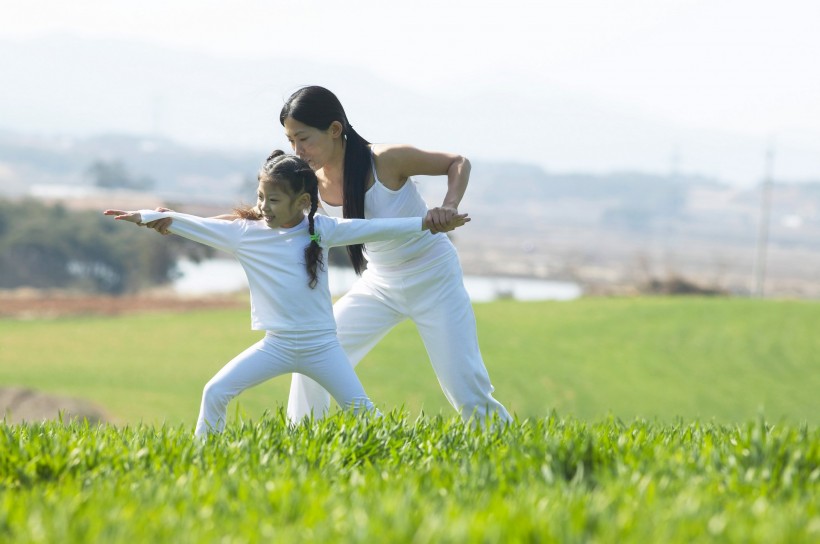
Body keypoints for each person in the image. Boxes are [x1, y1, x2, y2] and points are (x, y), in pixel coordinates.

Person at [149, 86, 511, 425]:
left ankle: (507, 446)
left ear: (335, 129)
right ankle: (302, 441)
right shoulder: (311, 181)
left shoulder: (386, 160)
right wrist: (177, 221)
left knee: (467, 390)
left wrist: (447, 207)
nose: (297, 148)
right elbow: (256, 222)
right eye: (290, 140)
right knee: (313, 356)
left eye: (303, 138)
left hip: (434, 279)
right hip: (380, 284)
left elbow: (458, 162)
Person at [105, 151, 470, 437]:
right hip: (275, 346)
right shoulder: (245, 233)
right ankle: (203, 457)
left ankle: (397, 460)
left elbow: (375, 227)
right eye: (260, 197)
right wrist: (144, 216)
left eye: (273, 200)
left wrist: (426, 223)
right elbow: (194, 225)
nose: (263, 207)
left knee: (364, 416)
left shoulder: (322, 230)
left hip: (323, 348)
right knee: (215, 391)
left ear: (301, 202)